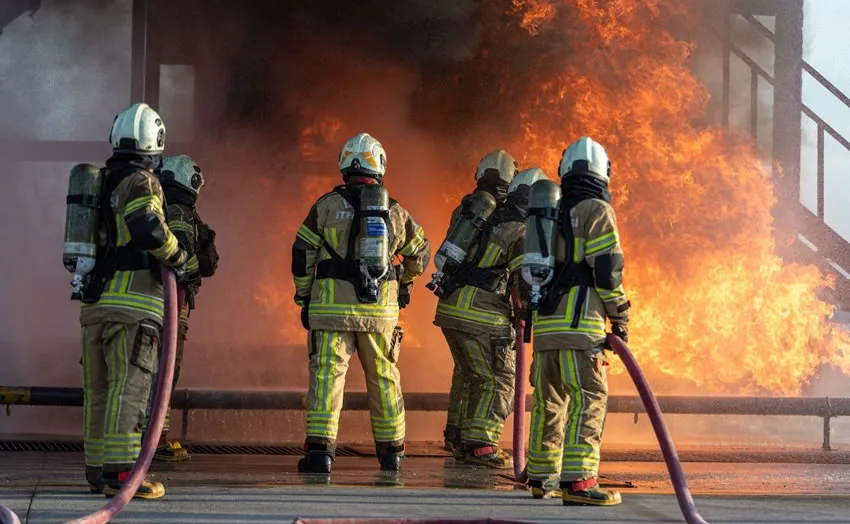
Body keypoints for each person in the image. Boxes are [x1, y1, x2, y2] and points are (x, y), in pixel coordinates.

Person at [291, 132, 431, 474]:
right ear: (380, 166)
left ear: (344, 165)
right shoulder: (395, 212)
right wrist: (404, 282)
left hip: (330, 311)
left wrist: (304, 296)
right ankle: (391, 453)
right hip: (378, 312)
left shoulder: (324, 206)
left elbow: (301, 254)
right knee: (384, 376)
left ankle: (320, 454)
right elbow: (421, 254)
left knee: (326, 378)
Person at [79, 102, 194, 499]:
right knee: (129, 387)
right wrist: (178, 255)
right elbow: (146, 226)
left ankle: (98, 470)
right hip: (135, 304)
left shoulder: (100, 182)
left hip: (95, 303)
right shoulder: (142, 181)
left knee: (98, 390)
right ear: (157, 142)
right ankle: (124, 474)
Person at [525, 137, 630, 506]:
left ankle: (539, 476)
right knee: (589, 398)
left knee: (548, 402)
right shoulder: (596, 209)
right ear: (603, 171)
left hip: (546, 328)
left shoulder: (547, 213)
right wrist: (620, 314)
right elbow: (607, 271)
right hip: (580, 326)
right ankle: (580, 482)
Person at [432, 150, 524, 468]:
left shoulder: (466, 210)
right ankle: (481, 445)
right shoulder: (516, 225)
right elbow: (521, 279)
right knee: (496, 379)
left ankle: (457, 436)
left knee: (469, 373)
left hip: (450, 306)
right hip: (483, 313)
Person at [142, 154, 219, 462]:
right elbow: (184, 259)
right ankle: (152, 442)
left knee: (159, 374)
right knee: (161, 375)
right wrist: (201, 262)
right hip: (167, 310)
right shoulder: (178, 212)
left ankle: (155, 438)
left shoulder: (159, 209)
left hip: (160, 306)